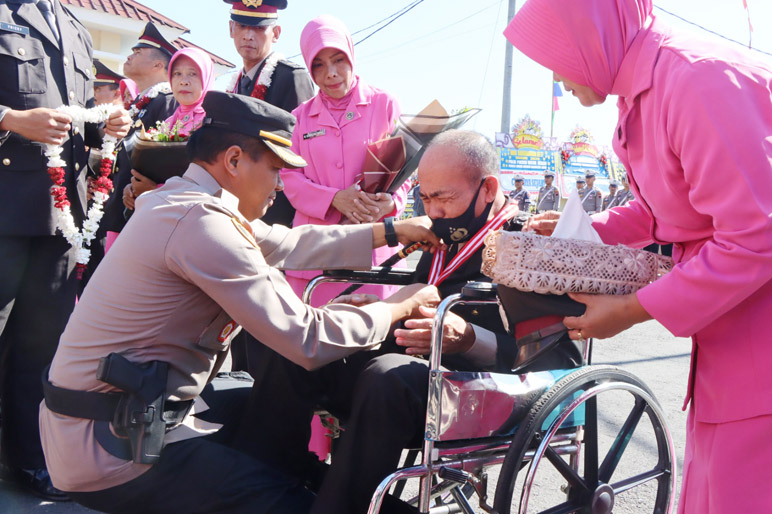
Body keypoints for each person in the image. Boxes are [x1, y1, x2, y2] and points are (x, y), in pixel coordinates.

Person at [39, 91, 442, 514]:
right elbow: (307, 339)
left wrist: (392, 232)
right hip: (115, 446)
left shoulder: (181, 202)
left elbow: (289, 243)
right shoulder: (201, 224)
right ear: (233, 160)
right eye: (275, 170)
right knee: (292, 500)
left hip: (115, 423)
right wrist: (397, 306)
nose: (280, 185)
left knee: (275, 439)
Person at [506, 0, 772, 511]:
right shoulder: (646, 92)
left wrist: (632, 310)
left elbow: (755, 235)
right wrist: (578, 233)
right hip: (730, 334)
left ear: (590, 33)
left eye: (557, 56)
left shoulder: (695, 81)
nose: (559, 78)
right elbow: (665, 213)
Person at [238, 131, 583, 514]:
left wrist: (468, 338)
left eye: (444, 198)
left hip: (489, 385)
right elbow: (423, 296)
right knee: (302, 349)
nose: (432, 211)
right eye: (426, 197)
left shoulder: (531, 242)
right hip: (422, 369)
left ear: (487, 189)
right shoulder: (448, 232)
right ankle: (261, 483)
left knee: (388, 376)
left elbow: (554, 355)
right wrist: (379, 310)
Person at [0, 0, 131, 500]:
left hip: (59, 216)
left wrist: (105, 127)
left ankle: (28, 459)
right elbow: (24, 113)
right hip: (4, 212)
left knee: (41, 345)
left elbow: (74, 119)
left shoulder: (73, 24)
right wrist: (10, 118)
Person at [281, 14, 411, 305]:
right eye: (319, 64)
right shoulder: (299, 118)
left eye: (338, 59)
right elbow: (290, 177)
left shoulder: (384, 104)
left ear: (351, 54)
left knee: (373, 339)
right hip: (314, 254)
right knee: (312, 339)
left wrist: (392, 203)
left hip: (373, 246)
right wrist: (334, 199)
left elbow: (403, 171)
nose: (331, 73)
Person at [224, 0, 314, 228]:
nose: (248, 35)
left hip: (277, 211)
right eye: (242, 26)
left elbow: (301, 153)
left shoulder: (290, 77)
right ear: (231, 29)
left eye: (258, 28)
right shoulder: (236, 84)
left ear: (276, 33)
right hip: (237, 204)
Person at [100, 22, 178, 243]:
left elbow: (162, 162)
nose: (130, 56)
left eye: (138, 51)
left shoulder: (167, 101)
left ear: (157, 64)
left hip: (138, 215)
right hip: (120, 211)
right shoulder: (141, 103)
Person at [122, 47, 215, 210]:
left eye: (193, 74)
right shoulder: (168, 122)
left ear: (206, 77)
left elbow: (211, 183)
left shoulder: (213, 122)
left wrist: (155, 191)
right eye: (177, 74)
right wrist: (132, 188)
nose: (183, 81)